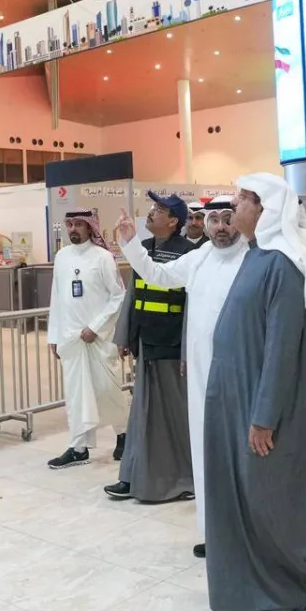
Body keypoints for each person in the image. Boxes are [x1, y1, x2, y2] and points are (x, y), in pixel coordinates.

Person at [125, 174, 306, 611]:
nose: (236, 210)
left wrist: (264, 415)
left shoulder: (282, 264)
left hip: (262, 404)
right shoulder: (254, 257)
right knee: (248, 497)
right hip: (231, 397)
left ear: (264, 210)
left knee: (277, 498)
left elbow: (281, 347)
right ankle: (259, 585)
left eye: (244, 201)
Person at [118, 197, 247, 556]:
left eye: (227, 218)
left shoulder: (253, 259)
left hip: (240, 371)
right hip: (202, 375)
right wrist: (130, 242)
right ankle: (215, 531)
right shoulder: (200, 257)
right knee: (206, 452)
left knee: (239, 453)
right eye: (213, 220)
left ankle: (245, 535)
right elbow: (158, 275)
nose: (220, 227)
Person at [106, 192, 197, 503]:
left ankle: (184, 478)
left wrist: (187, 350)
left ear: (173, 221)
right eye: (154, 207)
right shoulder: (143, 249)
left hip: (173, 347)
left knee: (174, 415)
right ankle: (135, 476)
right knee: (143, 412)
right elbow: (133, 294)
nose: (152, 212)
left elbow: (193, 307)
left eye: (160, 209)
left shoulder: (189, 253)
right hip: (146, 341)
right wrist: (124, 335)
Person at [46, 210, 128, 469]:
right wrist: (54, 335)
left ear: (90, 227)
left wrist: (95, 327)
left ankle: (124, 434)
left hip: (99, 339)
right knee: (76, 394)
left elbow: (118, 296)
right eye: (70, 224)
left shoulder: (103, 257)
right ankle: (78, 447)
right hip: (71, 339)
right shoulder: (61, 257)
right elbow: (56, 298)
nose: (73, 229)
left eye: (79, 224)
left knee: (107, 389)